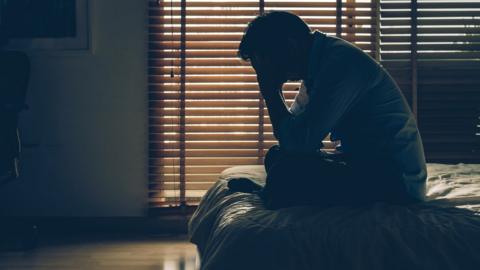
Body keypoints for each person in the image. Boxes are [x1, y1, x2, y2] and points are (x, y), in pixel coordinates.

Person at [230, 11, 427, 209]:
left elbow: (299, 143)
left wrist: (270, 91)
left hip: (395, 181)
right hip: (365, 164)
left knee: (285, 171)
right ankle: (272, 192)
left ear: (290, 46)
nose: (266, 73)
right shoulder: (317, 66)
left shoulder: (340, 64)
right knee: (276, 156)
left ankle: (272, 192)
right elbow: (290, 135)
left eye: (267, 64)